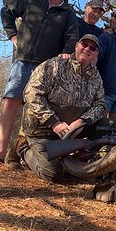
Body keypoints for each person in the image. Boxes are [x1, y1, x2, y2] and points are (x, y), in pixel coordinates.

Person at [0, 0, 79, 165]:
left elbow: (72, 38)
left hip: (46, 69)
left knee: (38, 111)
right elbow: (6, 11)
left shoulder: (68, 13)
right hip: (23, 62)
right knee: (10, 102)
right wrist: (13, 36)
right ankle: (0, 152)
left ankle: (26, 155)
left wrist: (66, 52)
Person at [21, 34, 105, 182]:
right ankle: (22, 148)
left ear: (96, 54)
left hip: (72, 130)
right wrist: (54, 123)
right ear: (76, 46)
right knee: (52, 174)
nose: (87, 49)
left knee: (106, 126)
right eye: (84, 44)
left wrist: (82, 122)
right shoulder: (53, 65)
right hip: (43, 130)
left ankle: (78, 160)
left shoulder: (95, 76)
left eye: (92, 48)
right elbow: (31, 94)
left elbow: (100, 104)